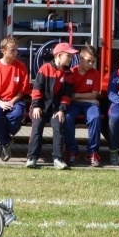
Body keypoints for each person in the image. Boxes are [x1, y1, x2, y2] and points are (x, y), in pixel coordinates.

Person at [26, 42, 76, 170]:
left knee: (58, 128)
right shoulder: (45, 69)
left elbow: (67, 95)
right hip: (41, 107)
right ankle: (32, 157)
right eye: (68, 56)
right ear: (59, 55)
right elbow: (37, 89)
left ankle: (58, 159)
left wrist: (61, 110)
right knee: (37, 127)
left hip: (56, 109)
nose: (70, 58)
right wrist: (36, 106)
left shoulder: (69, 74)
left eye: (71, 56)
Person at [0, 37, 31, 162]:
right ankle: (5, 141)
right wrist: (1, 103)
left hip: (14, 101)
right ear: (3, 51)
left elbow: (22, 91)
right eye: (12, 50)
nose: (16, 53)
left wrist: (11, 102)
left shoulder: (21, 67)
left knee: (16, 116)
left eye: (16, 50)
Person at [63, 44, 102, 167]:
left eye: (93, 62)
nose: (91, 64)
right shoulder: (71, 72)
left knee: (95, 117)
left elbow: (94, 95)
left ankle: (92, 152)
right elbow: (69, 95)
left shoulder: (95, 74)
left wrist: (76, 95)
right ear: (80, 58)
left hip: (88, 105)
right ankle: (72, 151)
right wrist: (80, 96)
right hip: (73, 104)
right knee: (67, 117)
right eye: (88, 61)